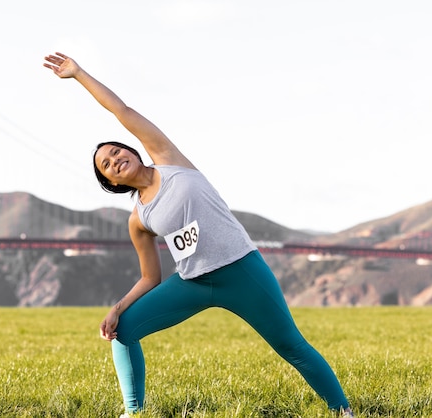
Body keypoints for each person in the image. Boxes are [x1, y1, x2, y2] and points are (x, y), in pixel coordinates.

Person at [43, 52, 354, 418]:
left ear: (131, 149)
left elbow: (122, 112)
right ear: (111, 182)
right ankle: (133, 412)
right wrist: (117, 308)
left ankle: (342, 411)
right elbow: (150, 277)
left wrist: (79, 74)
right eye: (107, 166)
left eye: (116, 151)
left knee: (291, 345)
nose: (114, 160)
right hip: (192, 282)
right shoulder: (138, 219)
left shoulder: (168, 157)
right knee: (124, 331)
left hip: (241, 270)